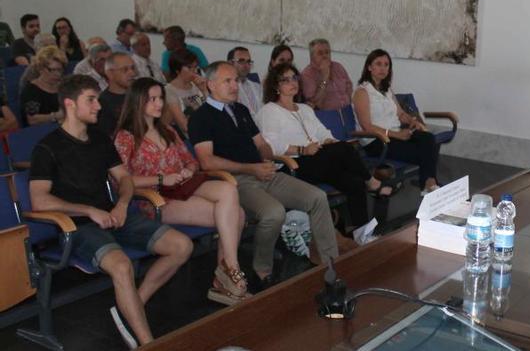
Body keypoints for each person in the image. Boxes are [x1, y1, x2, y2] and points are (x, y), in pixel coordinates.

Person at [29, 74, 193, 348]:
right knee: (121, 265)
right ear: (70, 104)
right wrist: (89, 211)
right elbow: (39, 200)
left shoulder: (99, 139)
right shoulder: (47, 147)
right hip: (77, 227)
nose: (98, 106)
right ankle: (147, 342)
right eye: (91, 100)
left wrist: (122, 203)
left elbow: (125, 179)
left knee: (181, 246)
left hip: (116, 215)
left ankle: (132, 305)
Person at [187, 62, 339, 290]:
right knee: (274, 213)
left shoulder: (241, 110)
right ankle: (262, 268)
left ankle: (329, 262)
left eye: (235, 81)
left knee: (317, 197)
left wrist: (268, 158)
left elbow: (261, 145)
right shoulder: (201, 118)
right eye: (227, 81)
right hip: (234, 182)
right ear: (210, 85)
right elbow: (206, 162)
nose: (234, 86)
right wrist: (251, 169)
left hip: (264, 172)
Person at [115, 77, 248, 305]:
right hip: (155, 198)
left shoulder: (167, 130)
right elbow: (122, 181)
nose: (159, 104)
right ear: (138, 102)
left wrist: (187, 170)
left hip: (183, 187)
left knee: (228, 191)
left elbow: (191, 161)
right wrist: (161, 178)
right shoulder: (125, 138)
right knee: (239, 215)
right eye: (152, 99)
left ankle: (229, 271)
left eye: (160, 98)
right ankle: (226, 279)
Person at [257, 63, 388, 228]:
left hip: (318, 161)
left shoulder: (305, 109)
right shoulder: (269, 111)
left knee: (354, 183)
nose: (293, 82)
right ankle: (371, 181)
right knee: (345, 149)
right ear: (276, 86)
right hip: (293, 165)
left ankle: (361, 233)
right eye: (285, 80)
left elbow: (322, 131)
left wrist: (328, 140)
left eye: (294, 78)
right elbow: (270, 145)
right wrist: (303, 149)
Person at [353, 49, 440, 193]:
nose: (383, 68)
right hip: (376, 141)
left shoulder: (387, 90)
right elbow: (366, 126)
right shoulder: (362, 92)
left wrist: (412, 121)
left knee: (428, 138)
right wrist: (396, 134)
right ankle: (429, 183)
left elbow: (400, 114)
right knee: (425, 153)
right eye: (378, 64)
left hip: (396, 134)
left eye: (386, 65)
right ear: (369, 67)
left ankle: (428, 183)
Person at [301, 38, 353, 111]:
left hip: (347, 111)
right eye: (320, 53)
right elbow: (314, 102)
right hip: (326, 116)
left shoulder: (338, 66)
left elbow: (349, 85)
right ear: (311, 56)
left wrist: (348, 100)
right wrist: (325, 77)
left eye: (327, 52)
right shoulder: (307, 74)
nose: (324, 56)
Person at [164, 49, 206, 138]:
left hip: (205, 133)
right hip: (187, 139)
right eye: (190, 67)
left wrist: (205, 90)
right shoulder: (169, 91)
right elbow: (185, 127)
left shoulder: (198, 85)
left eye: (195, 67)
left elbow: (215, 112)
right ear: (177, 70)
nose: (194, 71)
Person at [20, 46, 66, 127]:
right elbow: (32, 119)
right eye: (52, 70)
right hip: (42, 131)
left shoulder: (63, 85)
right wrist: (56, 116)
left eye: (60, 70)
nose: (57, 74)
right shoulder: (31, 91)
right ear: (40, 68)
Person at [96, 52, 137, 137]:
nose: (132, 73)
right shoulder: (103, 103)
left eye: (133, 68)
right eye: (125, 69)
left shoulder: (139, 95)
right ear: (110, 74)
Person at [227, 46, 262, 116]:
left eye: (248, 62)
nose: (246, 65)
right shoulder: (226, 88)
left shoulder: (257, 87)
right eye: (241, 61)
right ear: (230, 63)